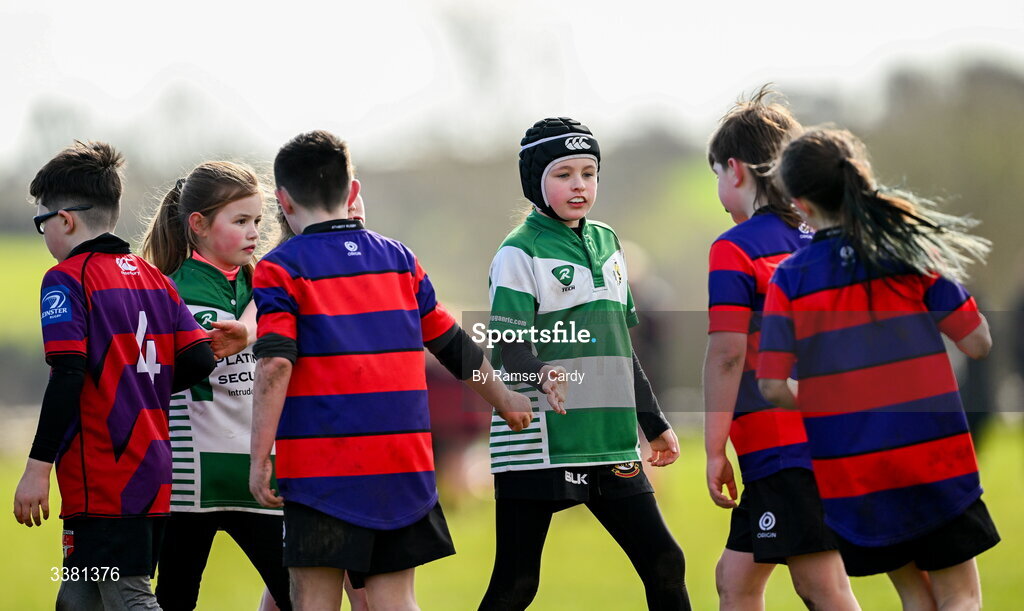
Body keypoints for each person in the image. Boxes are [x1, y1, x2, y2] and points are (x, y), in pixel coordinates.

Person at [248, 130, 532, 611]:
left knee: (313, 600)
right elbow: (451, 344)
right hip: (400, 466)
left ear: (283, 201)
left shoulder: (279, 268)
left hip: (321, 473)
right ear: (352, 192)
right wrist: (506, 400)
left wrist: (258, 457)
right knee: (395, 602)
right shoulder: (399, 260)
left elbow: (276, 362)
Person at [758, 127, 1000, 611]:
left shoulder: (791, 278)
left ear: (801, 205)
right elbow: (977, 342)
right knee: (961, 597)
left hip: (855, 471)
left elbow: (771, 385)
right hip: (932, 457)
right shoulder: (908, 251)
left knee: (916, 596)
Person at [479, 117, 689, 610]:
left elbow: (620, 345)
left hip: (609, 438)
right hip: (540, 443)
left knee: (665, 561)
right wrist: (540, 372)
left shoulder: (609, 242)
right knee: (516, 583)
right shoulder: (518, 252)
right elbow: (510, 342)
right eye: (564, 174)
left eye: (589, 173)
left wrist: (652, 422)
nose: (579, 185)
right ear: (537, 182)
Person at [13, 141, 215, 610]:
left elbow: (67, 373)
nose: (44, 236)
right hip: (150, 470)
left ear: (65, 220)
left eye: (42, 223)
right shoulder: (152, 276)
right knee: (79, 599)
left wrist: (37, 469)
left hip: (107, 476)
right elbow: (200, 359)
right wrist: (135, 385)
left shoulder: (67, 278)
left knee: (129, 599)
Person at [703, 90, 858, 610]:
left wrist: (712, 447)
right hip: (824, 438)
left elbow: (727, 354)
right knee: (736, 579)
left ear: (735, 170)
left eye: (717, 179)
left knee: (823, 587)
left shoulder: (735, 247)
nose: (720, 192)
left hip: (784, 448)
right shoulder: (823, 238)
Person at [140, 161, 293, 611]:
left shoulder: (267, 284)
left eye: (258, 222)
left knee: (299, 599)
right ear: (199, 226)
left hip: (258, 478)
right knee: (174, 600)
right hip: (191, 484)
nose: (253, 233)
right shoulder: (167, 290)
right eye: (240, 221)